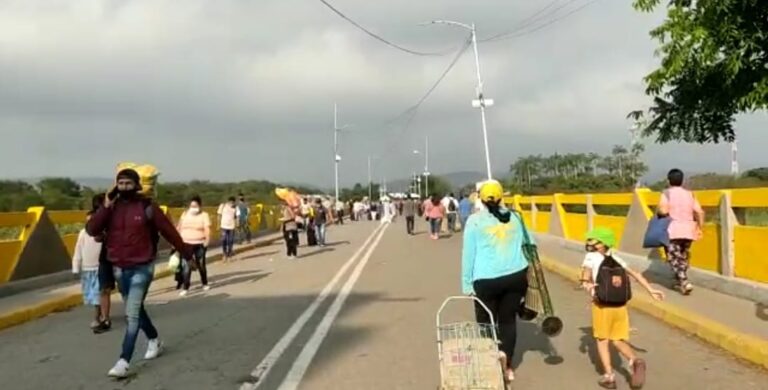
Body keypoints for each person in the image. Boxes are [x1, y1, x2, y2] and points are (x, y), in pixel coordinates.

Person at [86, 168, 193, 378]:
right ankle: (154, 340)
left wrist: (187, 254)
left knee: (132, 314)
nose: (124, 187)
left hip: (142, 267)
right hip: (118, 267)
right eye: (121, 183)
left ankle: (124, 360)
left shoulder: (147, 207)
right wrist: (106, 206)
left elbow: (169, 232)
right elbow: (92, 229)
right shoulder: (111, 208)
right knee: (135, 309)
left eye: (128, 183)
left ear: (137, 185)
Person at [461, 180, 529, 383]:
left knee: (486, 323)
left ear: (480, 199)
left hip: (486, 280)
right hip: (516, 277)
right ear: (502, 197)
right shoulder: (516, 217)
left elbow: (469, 255)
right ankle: (507, 366)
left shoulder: (474, 221)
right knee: (508, 321)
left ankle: (491, 359)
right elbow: (530, 244)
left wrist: (466, 284)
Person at [579, 226, 665, 389]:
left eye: (592, 240)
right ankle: (634, 360)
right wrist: (651, 290)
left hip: (602, 305)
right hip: (620, 306)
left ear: (602, 243)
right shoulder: (617, 259)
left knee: (602, 340)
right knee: (617, 339)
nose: (589, 242)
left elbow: (585, 277)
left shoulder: (591, 257)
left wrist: (588, 286)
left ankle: (609, 376)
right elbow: (636, 274)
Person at [658, 168, 705, 295]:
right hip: (689, 230)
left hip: (673, 230)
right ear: (682, 180)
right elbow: (699, 212)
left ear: (668, 180)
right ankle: (678, 280)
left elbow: (663, 211)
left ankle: (684, 280)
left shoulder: (666, 193)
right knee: (683, 255)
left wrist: (662, 211)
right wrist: (700, 227)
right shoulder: (690, 194)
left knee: (673, 256)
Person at [72, 195, 106, 331]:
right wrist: (76, 267)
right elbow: (78, 250)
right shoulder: (82, 234)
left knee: (98, 294)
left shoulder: (103, 234)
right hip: (87, 269)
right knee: (91, 295)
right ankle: (101, 313)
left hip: (99, 268)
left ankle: (97, 317)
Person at [176, 195, 212, 296]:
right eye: (191, 206)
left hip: (199, 243)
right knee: (187, 266)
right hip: (186, 243)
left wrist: (207, 240)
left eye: (195, 206)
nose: (193, 208)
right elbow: (179, 227)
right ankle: (186, 287)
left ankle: (204, 283)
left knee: (201, 264)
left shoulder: (204, 215)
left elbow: (207, 229)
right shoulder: (185, 214)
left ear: (200, 206)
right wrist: (175, 241)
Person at [217, 196, 239, 262]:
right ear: (228, 201)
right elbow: (219, 215)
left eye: (233, 202)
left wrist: (237, 224)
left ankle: (229, 254)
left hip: (231, 226)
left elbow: (237, 217)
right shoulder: (222, 206)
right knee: (224, 240)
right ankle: (224, 254)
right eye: (231, 202)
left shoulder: (236, 208)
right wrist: (218, 224)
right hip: (223, 226)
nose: (232, 204)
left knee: (230, 241)